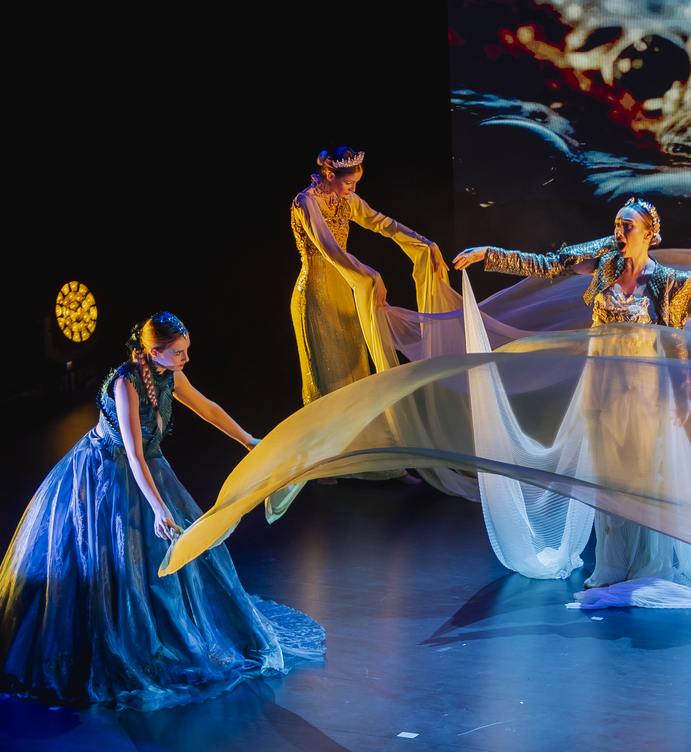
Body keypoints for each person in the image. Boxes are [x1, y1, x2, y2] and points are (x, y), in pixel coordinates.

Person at [455, 198, 691, 608]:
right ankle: (612, 564)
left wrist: (683, 393)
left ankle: (647, 565)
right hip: (602, 383)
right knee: (607, 476)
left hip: (644, 388)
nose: (619, 233)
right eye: (617, 225)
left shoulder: (671, 281)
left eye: (628, 227)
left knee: (642, 475)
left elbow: (675, 342)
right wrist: (489, 254)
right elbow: (549, 264)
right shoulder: (605, 258)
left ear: (650, 234)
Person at [0, 313, 324, 711]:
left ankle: (169, 627)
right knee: (115, 558)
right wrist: (157, 508)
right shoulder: (126, 384)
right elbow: (133, 455)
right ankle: (122, 636)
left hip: (146, 465)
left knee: (175, 554)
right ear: (154, 353)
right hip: (107, 470)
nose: (186, 359)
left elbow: (207, 408)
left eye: (186, 351)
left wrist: (247, 440)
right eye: (179, 353)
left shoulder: (170, 375)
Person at [288, 146, 448, 494]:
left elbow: (381, 222)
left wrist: (424, 243)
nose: (353, 190)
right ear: (331, 175)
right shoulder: (306, 202)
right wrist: (369, 272)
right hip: (315, 296)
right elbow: (328, 247)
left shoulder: (346, 199)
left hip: (346, 291)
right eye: (348, 183)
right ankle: (322, 463)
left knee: (358, 376)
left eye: (356, 184)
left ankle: (382, 463)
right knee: (326, 379)